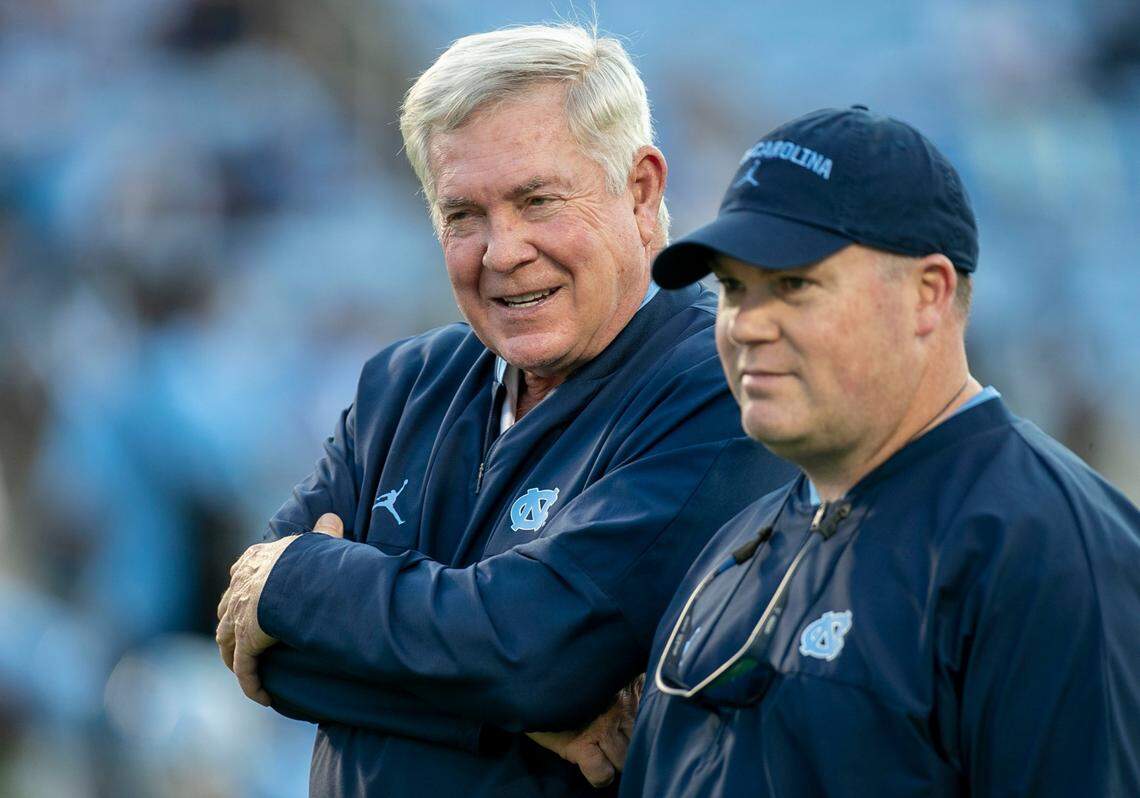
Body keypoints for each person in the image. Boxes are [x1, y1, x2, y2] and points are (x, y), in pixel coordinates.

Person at [214, 24, 796, 797]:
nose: (502, 250)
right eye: (463, 215)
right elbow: (261, 652)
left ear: (642, 191)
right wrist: (510, 705)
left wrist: (308, 583)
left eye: (537, 199)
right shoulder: (404, 382)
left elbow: (535, 654)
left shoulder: (719, 390)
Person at [621, 105, 1140, 797]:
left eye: (793, 285)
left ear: (928, 295)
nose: (746, 323)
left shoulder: (1047, 549)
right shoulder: (730, 554)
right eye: (733, 289)